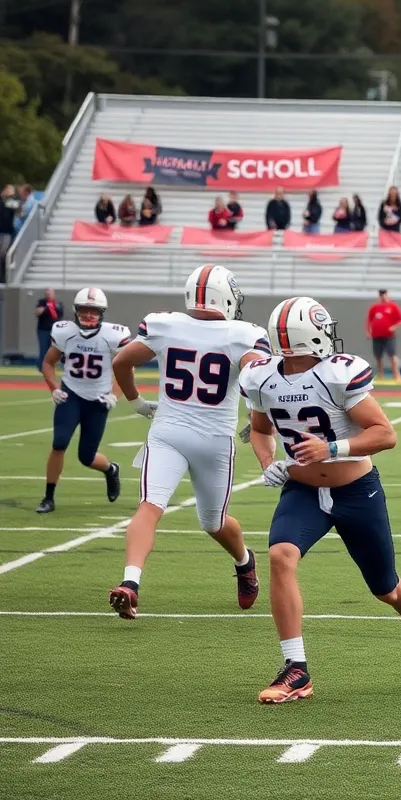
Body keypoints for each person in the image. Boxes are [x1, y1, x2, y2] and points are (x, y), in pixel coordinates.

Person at [242, 297, 401, 702]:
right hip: (303, 490)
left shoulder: (337, 374)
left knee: (387, 589)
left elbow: (385, 434)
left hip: (357, 491)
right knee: (280, 556)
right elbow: (258, 429)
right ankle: (296, 669)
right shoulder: (261, 377)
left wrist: (332, 448)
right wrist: (268, 460)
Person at [108, 265, 270, 619]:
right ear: (226, 298)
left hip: (195, 437)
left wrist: (135, 401)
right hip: (182, 435)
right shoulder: (244, 332)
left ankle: (245, 561)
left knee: (212, 522)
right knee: (150, 506)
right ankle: (130, 583)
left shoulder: (164, 324)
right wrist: (260, 416)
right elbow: (260, 376)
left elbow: (122, 362)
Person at [35, 288, 128, 514]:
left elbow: (126, 368)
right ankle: (48, 497)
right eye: (84, 310)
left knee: (86, 457)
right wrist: (54, 388)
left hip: (98, 400)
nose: (88, 315)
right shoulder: (64, 331)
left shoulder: (113, 335)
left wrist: (114, 395)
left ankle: (110, 469)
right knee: (59, 443)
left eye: (93, 311)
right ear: (76, 311)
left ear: (102, 313)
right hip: (71, 395)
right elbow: (48, 363)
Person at [366, 289, 401, 383]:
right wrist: (368, 332)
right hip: (376, 335)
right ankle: (381, 374)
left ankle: (397, 375)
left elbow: (400, 319)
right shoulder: (374, 307)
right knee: (378, 356)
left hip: (389, 335)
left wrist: (393, 327)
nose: (383, 296)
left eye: (385, 294)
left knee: (392, 355)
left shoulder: (393, 306)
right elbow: (369, 320)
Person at [34, 288, 62, 365]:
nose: (48, 294)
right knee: (43, 350)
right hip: (43, 330)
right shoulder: (42, 302)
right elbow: (37, 312)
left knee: (53, 350)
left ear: (53, 294)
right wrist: (46, 307)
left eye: (50, 293)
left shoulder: (57, 303)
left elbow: (59, 315)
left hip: (54, 331)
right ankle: (41, 367)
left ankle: (50, 366)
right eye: (47, 293)